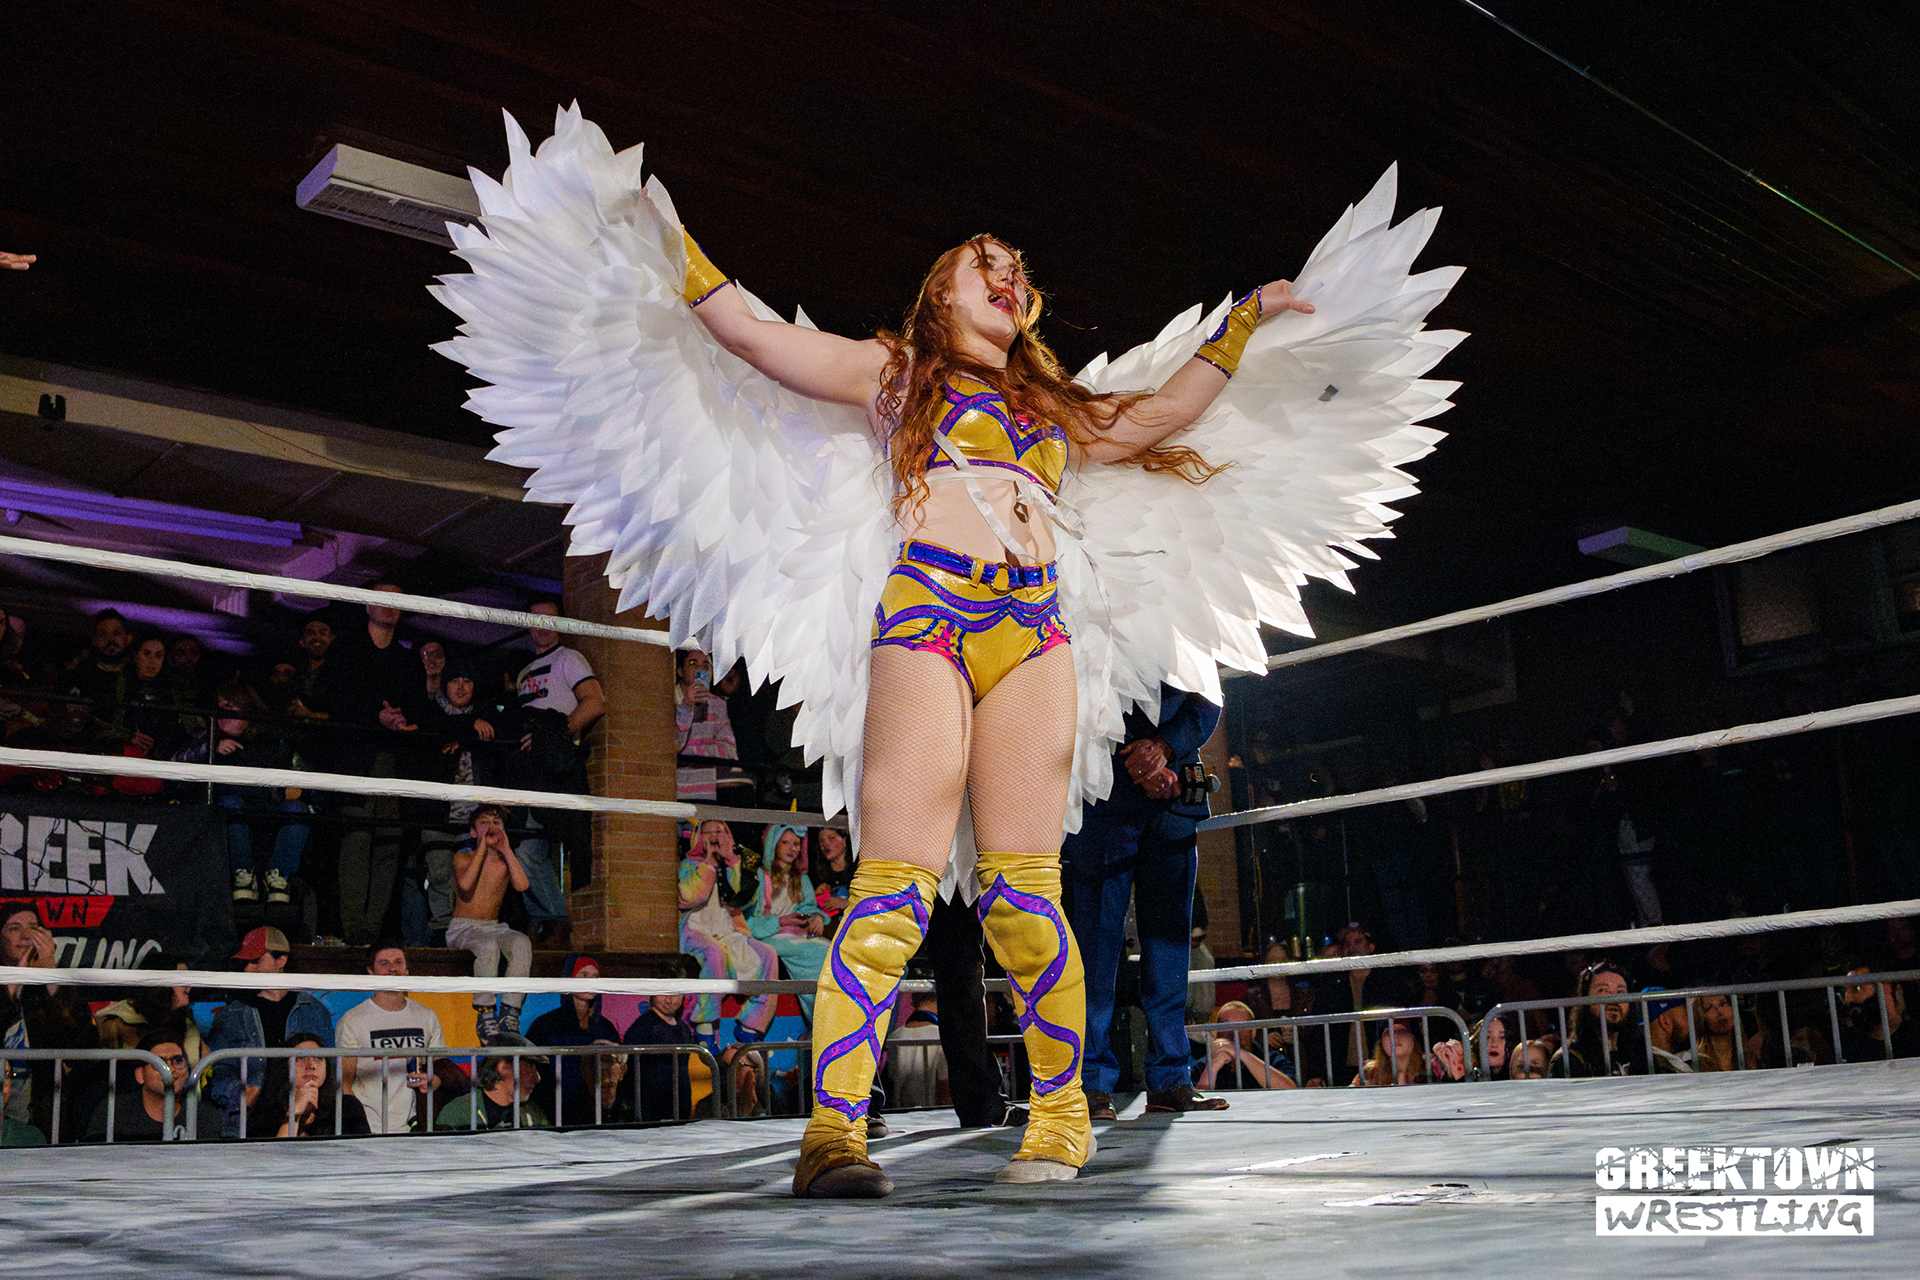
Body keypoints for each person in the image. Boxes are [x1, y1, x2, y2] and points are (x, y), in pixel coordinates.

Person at [436, 115, 1460, 1197]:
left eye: (1016, 269)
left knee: (1026, 896)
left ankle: (1059, 1118)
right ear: (941, 292)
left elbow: (1160, 414)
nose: (1006, 276)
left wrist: (1242, 321)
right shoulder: (896, 374)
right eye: (985, 265)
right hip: (927, 617)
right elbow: (751, 337)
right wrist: (665, 238)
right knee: (893, 890)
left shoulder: (1051, 405)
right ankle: (834, 1134)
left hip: (1037, 631)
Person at [1064, 685, 1224, 1120]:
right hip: (1105, 794)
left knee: (1170, 947)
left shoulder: (1189, 634)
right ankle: (1091, 1083)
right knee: (1096, 951)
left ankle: (1171, 1079)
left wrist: (1166, 748)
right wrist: (1142, 759)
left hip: (1172, 799)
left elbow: (1209, 693)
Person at [512, 600, 606, 942]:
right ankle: (551, 921)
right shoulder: (524, 672)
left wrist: (556, 735)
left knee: (542, 847)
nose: (543, 626)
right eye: (537, 619)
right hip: (531, 770)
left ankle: (558, 923)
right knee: (526, 847)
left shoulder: (569, 658)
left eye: (551, 619)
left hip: (559, 768)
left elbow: (595, 701)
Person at [174, 679, 311, 906]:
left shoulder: (273, 737)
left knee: (297, 809)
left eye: (230, 706)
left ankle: (278, 878)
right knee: (231, 802)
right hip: (232, 808)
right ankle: (244, 876)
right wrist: (210, 749)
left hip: (267, 806)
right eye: (219, 706)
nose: (222, 713)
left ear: (247, 709)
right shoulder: (209, 736)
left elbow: (300, 778)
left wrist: (286, 791)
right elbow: (176, 764)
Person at [204, 926, 336, 1138]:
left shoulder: (314, 1011)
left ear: (281, 960)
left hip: (305, 1123)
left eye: (256, 961)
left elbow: (330, 1066)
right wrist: (241, 1094)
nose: (248, 968)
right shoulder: (231, 1014)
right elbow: (219, 1070)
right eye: (245, 962)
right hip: (248, 1125)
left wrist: (313, 1107)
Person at [2, 902, 104, 1140]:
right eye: (14, 928)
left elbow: (85, 1042)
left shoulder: (51, 984)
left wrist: (50, 975)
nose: (26, 935)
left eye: (34, 928)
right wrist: (14, 981)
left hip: (42, 1107)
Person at [677, 819, 778, 1046]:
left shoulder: (735, 864)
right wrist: (709, 864)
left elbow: (745, 899)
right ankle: (705, 1022)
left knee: (768, 954)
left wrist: (732, 861)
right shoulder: (688, 865)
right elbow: (693, 896)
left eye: (721, 831)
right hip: (696, 930)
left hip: (727, 930)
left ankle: (753, 1023)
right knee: (715, 954)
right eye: (710, 831)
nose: (716, 836)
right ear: (699, 836)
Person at [335, 942, 444, 1135]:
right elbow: (344, 1084)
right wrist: (359, 1128)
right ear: (371, 971)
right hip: (370, 1129)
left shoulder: (427, 1016)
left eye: (398, 962)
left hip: (417, 1129)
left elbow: (440, 1069)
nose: (393, 968)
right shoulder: (353, 1019)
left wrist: (433, 1081)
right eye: (384, 963)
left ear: (407, 970)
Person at [449, 804, 534, 1039]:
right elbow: (466, 886)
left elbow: (522, 885)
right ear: (473, 831)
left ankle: (509, 1013)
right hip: (464, 928)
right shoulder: (463, 857)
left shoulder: (505, 861)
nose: (491, 827)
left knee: (522, 942)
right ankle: (486, 1012)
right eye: (484, 823)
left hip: (494, 927)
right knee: (488, 946)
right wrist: (482, 849)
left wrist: (505, 848)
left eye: (496, 822)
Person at [746, 826, 830, 1023]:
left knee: (831, 951)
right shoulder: (761, 877)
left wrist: (817, 916)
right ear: (774, 844)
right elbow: (749, 921)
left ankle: (825, 1014)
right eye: (785, 842)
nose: (792, 848)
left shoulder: (801, 878)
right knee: (819, 953)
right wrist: (781, 921)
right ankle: (819, 1018)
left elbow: (808, 907)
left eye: (796, 844)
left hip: (795, 934)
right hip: (767, 935)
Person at [526, 954, 622, 1125]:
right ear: (569, 979)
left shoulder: (605, 1028)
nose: (590, 982)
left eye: (595, 977)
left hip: (596, 1114)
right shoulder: (546, 1025)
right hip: (555, 1112)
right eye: (583, 975)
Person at [248, 1031, 372, 1139]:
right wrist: (295, 1111)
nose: (311, 1065)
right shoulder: (266, 1112)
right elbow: (273, 1156)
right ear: (285, 1067)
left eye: (318, 1058)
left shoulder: (348, 1107)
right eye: (301, 1058)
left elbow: (362, 1153)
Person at [83, 1031, 194, 1143]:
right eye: (159, 1064)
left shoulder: (200, 1115)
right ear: (140, 1075)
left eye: (178, 1061)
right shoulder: (113, 1113)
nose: (170, 1069)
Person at [435, 1034, 551, 1130]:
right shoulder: (458, 1113)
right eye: (529, 1067)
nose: (537, 1078)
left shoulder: (532, 1113)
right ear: (503, 1067)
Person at [623, 992, 697, 1121]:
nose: (669, 1000)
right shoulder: (643, 1027)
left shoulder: (683, 1028)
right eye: (663, 993)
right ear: (652, 994)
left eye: (676, 994)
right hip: (651, 1110)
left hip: (680, 1106)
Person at [1197, 1000, 1298, 1091]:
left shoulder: (1272, 1058)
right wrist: (1212, 1068)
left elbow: (1291, 1090)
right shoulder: (1203, 1064)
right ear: (1216, 1033)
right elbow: (1197, 1099)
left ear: (1253, 1032)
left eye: (1240, 1027)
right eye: (1226, 1027)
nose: (1233, 1033)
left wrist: (1241, 1053)